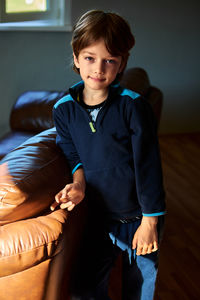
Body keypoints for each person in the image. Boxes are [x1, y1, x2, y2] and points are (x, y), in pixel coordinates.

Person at [51, 9, 166, 300]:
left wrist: (150, 222)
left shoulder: (133, 106)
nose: (98, 68)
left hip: (138, 218)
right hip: (96, 219)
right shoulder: (63, 109)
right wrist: (78, 184)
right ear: (76, 57)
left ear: (121, 64)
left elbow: (149, 165)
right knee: (85, 289)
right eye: (90, 58)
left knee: (139, 289)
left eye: (109, 60)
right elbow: (70, 149)